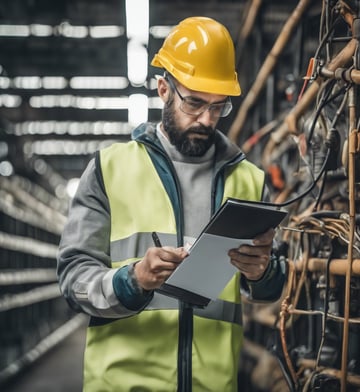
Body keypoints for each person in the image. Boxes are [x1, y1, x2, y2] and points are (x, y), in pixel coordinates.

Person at [57, 16, 286, 392]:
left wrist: (262, 273)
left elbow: (268, 286)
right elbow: (73, 281)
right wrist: (132, 281)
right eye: (194, 102)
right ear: (164, 89)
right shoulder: (109, 169)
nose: (206, 119)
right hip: (123, 385)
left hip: (213, 385)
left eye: (218, 107)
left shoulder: (249, 180)